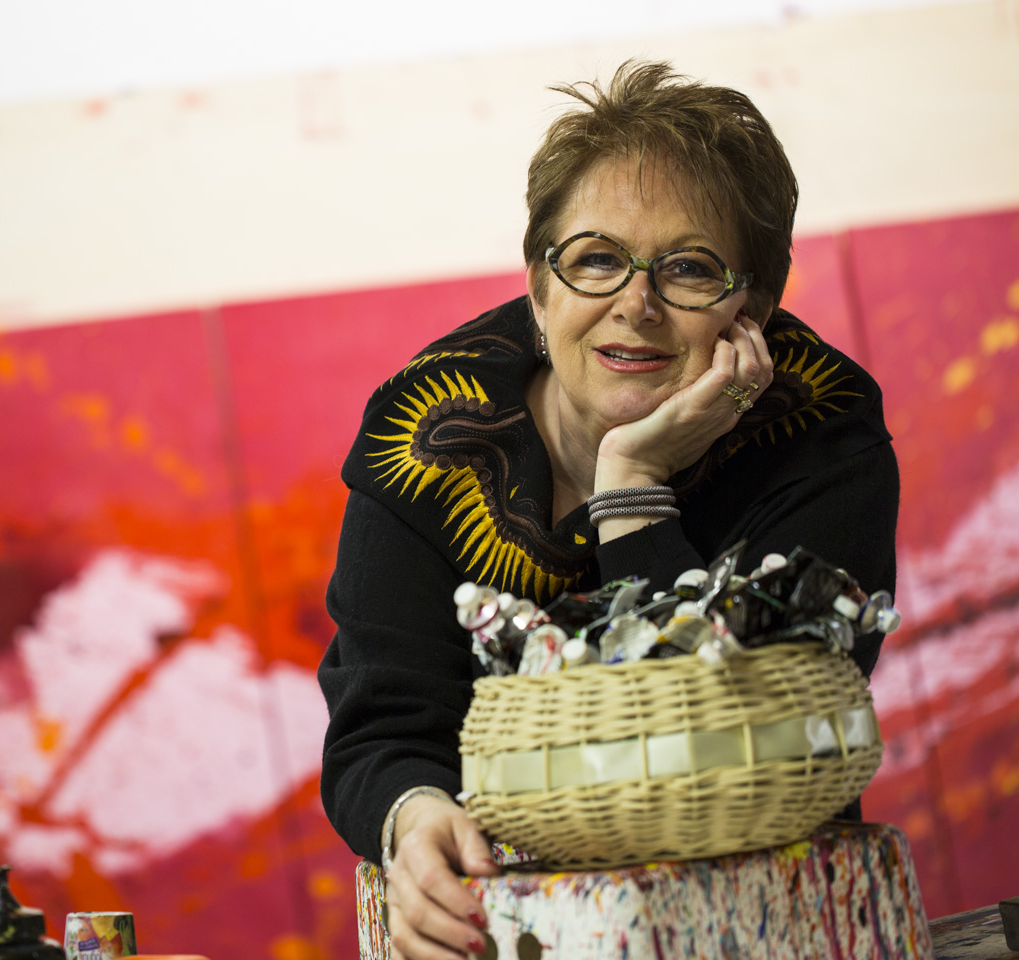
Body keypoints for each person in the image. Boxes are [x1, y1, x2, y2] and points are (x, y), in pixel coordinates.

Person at [318, 61, 899, 960]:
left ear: (755, 307)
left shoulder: (821, 433)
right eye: (595, 259)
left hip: (760, 920)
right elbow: (384, 723)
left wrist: (632, 488)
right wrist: (415, 814)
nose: (636, 304)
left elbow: (733, 734)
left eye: (690, 269)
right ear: (539, 289)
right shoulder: (423, 436)